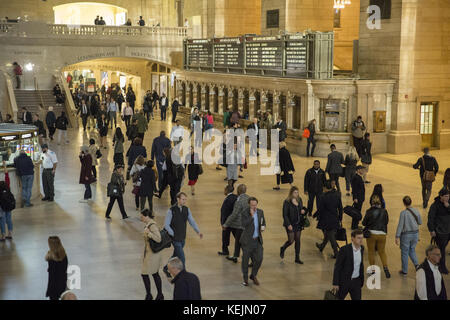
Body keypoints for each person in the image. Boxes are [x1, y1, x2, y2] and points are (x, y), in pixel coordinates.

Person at [163, 192, 203, 277]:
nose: (184, 201)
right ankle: (184, 276)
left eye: (185, 199)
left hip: (183, 238)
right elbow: (166, 224)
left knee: (175, 255)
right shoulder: (171, 210)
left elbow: (192, 221)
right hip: (175, 239)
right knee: (182, 258)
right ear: (178, 199)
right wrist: (172, 233)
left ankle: (166, 268)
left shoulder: (186, 209)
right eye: (183, 199)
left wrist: (198, 231)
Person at [362, 194, 390, 278]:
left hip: (372, 234)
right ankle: (385, 268)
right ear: (380, 203)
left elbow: (364, 223)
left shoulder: (369, 211)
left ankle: (373, 270)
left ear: (371, 203)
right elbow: (386, 221)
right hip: (382, 234)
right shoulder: (384, 211)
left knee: (371, 252)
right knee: (382, 252)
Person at [331, 229, 365, 300]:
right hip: (344, 281)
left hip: (356, 282)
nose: (361, 240)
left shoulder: (362, 249)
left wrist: (360, 281)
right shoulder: (344, 250)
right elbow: (338, 266)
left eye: (362, 238)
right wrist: (335, 283)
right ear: (352, 238)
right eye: (358, 238)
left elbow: (360, 265)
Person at [240, 197, 266, 286]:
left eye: (255, 205)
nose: (254, 207)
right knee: (245, 261)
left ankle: (253, 275)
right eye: (252, 205)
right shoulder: (245, 213)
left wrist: (263, 227)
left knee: (259, 258)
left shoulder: (260, 212)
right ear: (249, 205)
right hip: (247, 241)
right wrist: (251, 216)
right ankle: (245, 279)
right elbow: (243, 224)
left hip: (257, 240)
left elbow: (263, 222)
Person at [140, 209, 164, 300]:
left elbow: (159, 239)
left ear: (147, 216)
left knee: (144, 273)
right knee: (154, 273)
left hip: (153, 254)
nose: (141, 218)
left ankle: (149, 295)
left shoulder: (152, 226)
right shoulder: (148, 224)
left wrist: (149, 233)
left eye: (142, 216)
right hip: (151, 253)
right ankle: (159, 295)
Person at [315, 180, 343, 259]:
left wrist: (317, 216)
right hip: (335, 218)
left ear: (325, 188)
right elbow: (340, 208)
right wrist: (340, 218)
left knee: (331, 235)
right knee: (328, 233)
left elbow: (320, 209)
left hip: (326, 219)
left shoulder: (323, 196)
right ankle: (321, 246)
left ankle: (336, 252)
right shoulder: (337, 195)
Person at [396, 196, 422, 275]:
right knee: (412, 249)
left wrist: (397, 236)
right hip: (415, 234)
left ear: (404, 203)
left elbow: (400, 225)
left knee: (404, 252)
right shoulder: (417, 211)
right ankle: (417, 265)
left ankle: (404, 270)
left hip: (406, 235)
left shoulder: (403, 213)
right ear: (411, 201)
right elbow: (420, 222)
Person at [280, 186, 306, 264]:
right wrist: (288, 224)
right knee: (291, 240)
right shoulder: (287, 202)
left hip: (298, 224)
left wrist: (303, 210)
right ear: (291, 193)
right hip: (290, 224)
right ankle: (283, 248)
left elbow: (302, 208)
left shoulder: (299, 200)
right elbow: (285, 215)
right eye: (295, 192)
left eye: (297, 192)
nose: (296, 194)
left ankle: (297, 257)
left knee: (298, 240)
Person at [224, 184, 249, 263]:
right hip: (248, 223)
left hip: (240, 224)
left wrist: (226, 224)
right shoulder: (249, 198)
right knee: (238, 241)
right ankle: (235, 256)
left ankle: (248, 257)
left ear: (238, 191)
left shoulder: (239, 201)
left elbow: (234, 214)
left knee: (241, 242)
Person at [427, 188, 450, 274]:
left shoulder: (449, 203)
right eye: (446, 196)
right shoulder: (435, 205)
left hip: (448, 231)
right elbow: (430, 218)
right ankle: (442, 268)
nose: (447, 198)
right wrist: (432, 230)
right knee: (442, 250)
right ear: (441, 196)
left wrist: (448, 207)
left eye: (448, 196)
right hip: (440, 232)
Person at [45, 236, 68, 300]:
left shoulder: (51, 258)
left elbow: (52, 274)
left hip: (54, 285)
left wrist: (49, 290)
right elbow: (64, 268)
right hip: (62, 281)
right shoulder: (63, 254)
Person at [218, 185, 238, 257]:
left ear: (226, 190)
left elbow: (225, 213)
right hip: (235, 221)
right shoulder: (236, 197)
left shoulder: (228, 199)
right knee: (237, 236)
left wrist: (223, 223)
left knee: (225, 237)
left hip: (227, 222)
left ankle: (225, 251)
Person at [351, 166, 366, 230]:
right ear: (358, 170)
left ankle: (355, 225)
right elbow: (355, 189)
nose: (363, 171)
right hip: (358, 198)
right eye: (362, 170)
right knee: (356, 212)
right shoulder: (356, 178)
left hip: (360, 197)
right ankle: (354, 226)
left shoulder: (359, 177)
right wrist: (355, 198)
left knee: (357, 212)